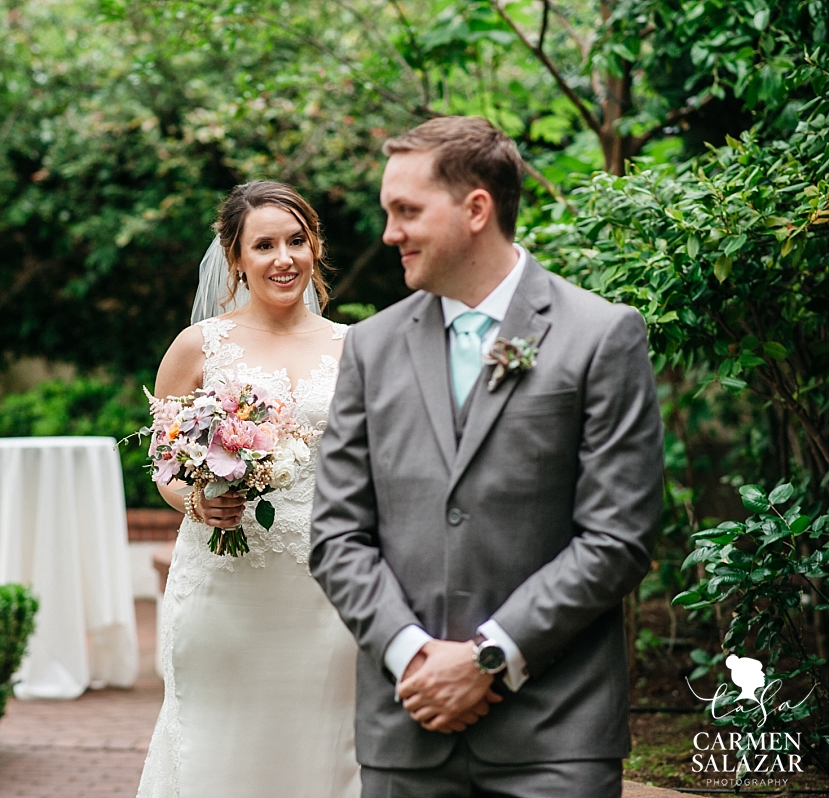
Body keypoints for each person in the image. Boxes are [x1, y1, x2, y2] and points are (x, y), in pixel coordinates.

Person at [310, 115, 665, 797]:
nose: (390, 233)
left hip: (556, 734)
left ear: (476, 208)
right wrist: (414, 655)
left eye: (406, 210)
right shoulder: (370, 348)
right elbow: (336, 534)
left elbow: (619, 537)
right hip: (404, 728)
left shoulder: (600, 336)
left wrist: (489, 657)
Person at [137, 181, 361, 798]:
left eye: (297, 240)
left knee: (326, 741)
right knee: (217, 739)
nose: (283, 258)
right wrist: (196, 501)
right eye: (264, 245)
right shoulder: (198, 346)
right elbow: (163, 465)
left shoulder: (354, 347)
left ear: (315, 247)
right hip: (225, 583)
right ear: (235, 258)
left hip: (325, 583)